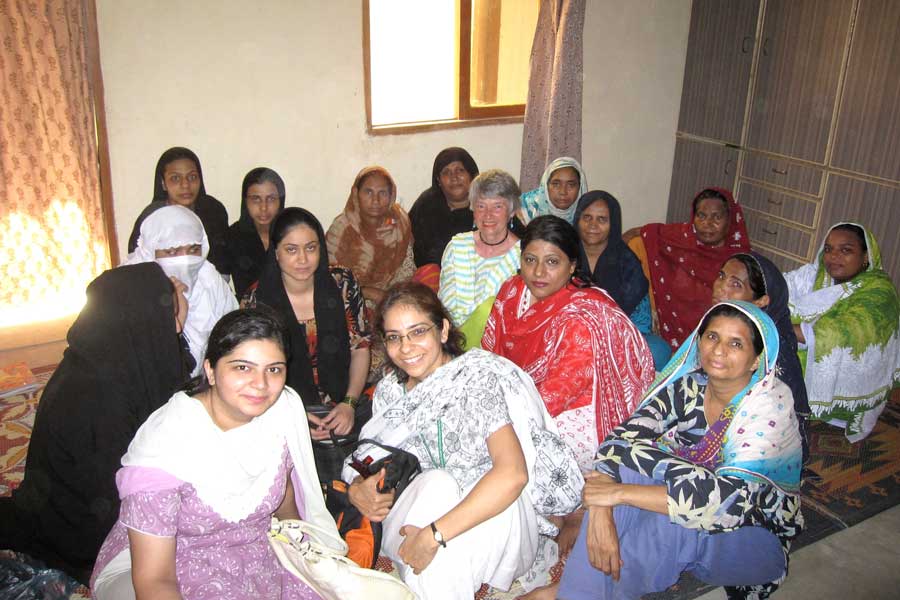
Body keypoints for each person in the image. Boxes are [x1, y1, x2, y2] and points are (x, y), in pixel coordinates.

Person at [343, 282, 583, 599]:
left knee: (441, 551)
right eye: (394, 337)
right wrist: (357, 488)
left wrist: (433, 536)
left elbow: (512, 475)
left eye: (418, 332)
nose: (406, 347)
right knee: (437, 484)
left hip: (491, 516)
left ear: (442, 330)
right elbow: (370, 459)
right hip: (418, 512)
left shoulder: (477, 378)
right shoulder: (390, 391)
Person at [557, 302, 803, 600]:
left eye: (735, 343)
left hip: (755, 542)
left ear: (756, 360)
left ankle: (573, 591)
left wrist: (616, 493)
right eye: (712, 337)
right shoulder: (689, 387)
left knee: (672, 517)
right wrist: (600, 509)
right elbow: (618, 441)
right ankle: (577, 592)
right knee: (628, 469)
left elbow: (727, 505)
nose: (719, 350)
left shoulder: (769, 406)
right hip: (691, 522)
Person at [90, 307, 339, 599]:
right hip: (173, 559)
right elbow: (155, 580)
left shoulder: (280, 411)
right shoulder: (166, 445)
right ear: (210, 370)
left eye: (274, 369)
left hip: (255, 549)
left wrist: (303, 554)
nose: (260, 385)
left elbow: (283, 492)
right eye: (242, 367)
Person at [0, 264, 191, 584]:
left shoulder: (102, 355)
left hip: (72, 500)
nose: (172, 326)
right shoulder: (98, 397)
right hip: (84, 529)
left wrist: (174, 312)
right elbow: (121, 495)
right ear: (139, 318)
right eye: (167, 315)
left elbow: (172, 383)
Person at [482, 215, 655, 471]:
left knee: (513, 456)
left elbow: (553, 397)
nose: (539, 272)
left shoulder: (582, 318)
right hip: (518, 399)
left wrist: (496, 419)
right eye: (530, 260)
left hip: (577, 411)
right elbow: (489, 353)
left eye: (552, 262)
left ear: (572, 266)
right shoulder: (511, 290)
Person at [243, 207, 370, 445]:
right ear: (276, 253)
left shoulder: (342, 283)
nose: (302, 259)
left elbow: (360, 347)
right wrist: (291, 416)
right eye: (291, 250)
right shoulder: (256, 300)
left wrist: (349, 403)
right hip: (282, 406)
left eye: (311, 248)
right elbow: (256, 373)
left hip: (345, 400)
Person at [785, 222, 900, 442]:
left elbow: (840, 332)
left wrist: (779, 327)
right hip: (807, 340)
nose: (833, 256)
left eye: (845, 250)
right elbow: (784, 284)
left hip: (854, 371)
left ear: (866, 256)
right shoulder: (819, 276)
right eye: (828, 249)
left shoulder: (879, 292)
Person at [713, 252, 811, 463]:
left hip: (759, 438)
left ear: (761, 301)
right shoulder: (721, 324)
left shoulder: (772, 350)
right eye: (721, 276)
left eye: (735, 284)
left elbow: (770, 419)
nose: (721, 287)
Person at [123, 204, 238, 374]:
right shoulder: (127, 288)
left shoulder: (209, 279)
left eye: (193, 249)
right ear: (150, 251)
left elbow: (235, 336)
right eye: (171, 252)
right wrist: (174, 316)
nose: (184, 261)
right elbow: (139, 362)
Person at [635, 187, 750, 349]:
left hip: (722, 344)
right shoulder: (680, 240)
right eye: (701, 216)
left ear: (730, 220)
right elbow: (642, 233)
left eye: (717, 217)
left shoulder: (740, 262)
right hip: (673, 340)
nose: (708, 224)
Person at [574, 190, 671, 369]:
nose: (592, 225)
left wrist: (608, 335)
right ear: (577, 220)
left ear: (614, 223)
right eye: (587, 217)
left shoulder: (627, 262)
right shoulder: (564, 254)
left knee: (658, 351)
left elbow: (640, 322)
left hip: (619, 334)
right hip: (572, 332)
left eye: (602, 219)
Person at [439, 169, 522, 346]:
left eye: (497, 206)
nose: (488, 215)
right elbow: (441, 305)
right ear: (472, 209)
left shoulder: (523, 256)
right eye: (481, 206)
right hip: (448, 340)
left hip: (497, 348)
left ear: (512, 211)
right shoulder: (456, 247)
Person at [127, 147, 229, 273]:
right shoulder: (152, 217)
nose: (185, 185)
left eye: (192, 177)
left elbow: (222, 265)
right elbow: (139, 268)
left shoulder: (213, 211)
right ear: (163, 183)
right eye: (175, 178)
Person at [326, 166, 415, 308]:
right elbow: (331, 280)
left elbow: (406, 270)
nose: (375, 200)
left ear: (392, 195)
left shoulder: (399, 222)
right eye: (368, 192)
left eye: (383, 193)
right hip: (352, 299)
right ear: (356, 194)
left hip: (393, 295)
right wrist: (371, 293)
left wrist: (392, 298)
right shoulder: (342, 229)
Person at [408, 147, 480, 270]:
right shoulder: (426, 204)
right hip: (428, 278)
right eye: (446, 172)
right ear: (439, 180)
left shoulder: (486, 204)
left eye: (460, 170)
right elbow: (407, 235)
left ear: (472, 175)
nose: (454, 177)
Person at [223, 167, 286, 298]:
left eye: (271, 199)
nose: (264, 207)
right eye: (256, 199)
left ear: (281, 200)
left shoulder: (292, 233)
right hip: (250, 315)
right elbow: (218, 284)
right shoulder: (232, 236)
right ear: (245, 201)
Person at [519, 157, 588, 225]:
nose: (563, 192)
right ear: (546, 185)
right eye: (556, 184)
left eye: (571, 185)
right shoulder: (523, 209)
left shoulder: (588, 215)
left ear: (580, 187)